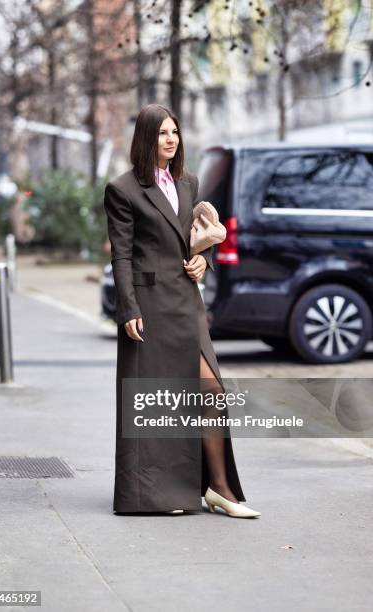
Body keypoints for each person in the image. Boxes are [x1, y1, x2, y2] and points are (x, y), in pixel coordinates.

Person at [103, 104, 260, 518]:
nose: (171, 140)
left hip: (187, 301)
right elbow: (121, 255)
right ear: (145, 139)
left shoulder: (188, 182)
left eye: (175, 132)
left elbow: (194, 239)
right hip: (149, 306)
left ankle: (219, 488)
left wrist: (203, 261)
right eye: (162, 134)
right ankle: (158, 493)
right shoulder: (122, 190)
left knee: (211, 389)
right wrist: (128, 307)